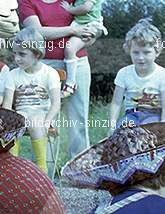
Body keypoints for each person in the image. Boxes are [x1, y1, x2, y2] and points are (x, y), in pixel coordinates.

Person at [19, 0, 100, 160]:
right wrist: (73, 30)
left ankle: (80, 170)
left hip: (77, 63)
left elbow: (90, 19)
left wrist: (92, 33)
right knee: (47, 118)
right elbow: (37, 32)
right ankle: (46, 172)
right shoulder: (26, 2)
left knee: (78, 117)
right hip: (44, 66)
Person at [2, 27, 61, 177]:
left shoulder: (49, 73)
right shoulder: (13, 74)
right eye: (15, 54)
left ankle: (41, 168)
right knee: (16, 122)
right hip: (21, 113)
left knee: (35, 121)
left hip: (43, 114)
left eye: (22, 54)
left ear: (37, 54)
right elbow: (7, 104)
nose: (17, 59)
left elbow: (56, 104)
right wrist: (7, 122)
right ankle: (11, 168)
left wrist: (47, 121)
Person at [108, 19, 165, 131]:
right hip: (131, 115)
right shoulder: (124, 73)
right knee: (122, 132)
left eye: (146, 52)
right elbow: (116, 103)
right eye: (135, 52)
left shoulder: (163, 75)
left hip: (153, 116)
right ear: (129, 51)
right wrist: (112, 125)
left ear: (157, 51)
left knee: (148, 134)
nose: (140, 58)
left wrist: (163, 126)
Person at [59, 0, 107, 97]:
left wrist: (70, 9)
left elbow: (86, 8)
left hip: (89, 24)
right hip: (79, 23)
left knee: (70, 49)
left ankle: (71, 83)